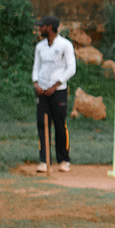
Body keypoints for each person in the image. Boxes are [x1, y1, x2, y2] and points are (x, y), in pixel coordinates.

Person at [31, 15, 76, 173]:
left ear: (49, 27)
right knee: (42, 125)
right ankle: (44, 160)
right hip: (42, 91)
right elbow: (36, 66)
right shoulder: (40, 46)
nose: (40, 29)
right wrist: (36, 83)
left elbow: (71, 68)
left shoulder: (65, 45)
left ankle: (64, 160)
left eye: (42, 26)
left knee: (59, 124)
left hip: (58, 91)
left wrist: (56, 85)